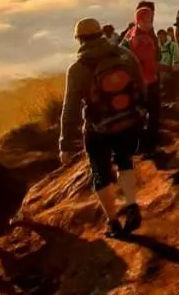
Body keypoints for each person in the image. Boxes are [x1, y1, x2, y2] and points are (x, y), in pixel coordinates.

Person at [59, 18, 146, 237]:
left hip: (97, 128)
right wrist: (139, 113)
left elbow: (70, 108)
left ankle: (113, 222)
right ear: (101, 34)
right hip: (126, 120)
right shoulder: (124, 55)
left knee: (101, 174)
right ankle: (132, 205)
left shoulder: (77, 69)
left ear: (79, 39)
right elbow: (141, 86)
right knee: (124, 161)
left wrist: (65, 143)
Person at [122, 5, 162, 159]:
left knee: (140, 115)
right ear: (138, 21)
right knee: (153, 115)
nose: (150, 24)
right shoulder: (142, 40)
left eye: (151, 20)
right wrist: (168, 68)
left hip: (137, 83)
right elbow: (150, 63)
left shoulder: (130, 35)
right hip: (148, 82)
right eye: (147, 21)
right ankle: (150, 147)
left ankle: (141, 146)